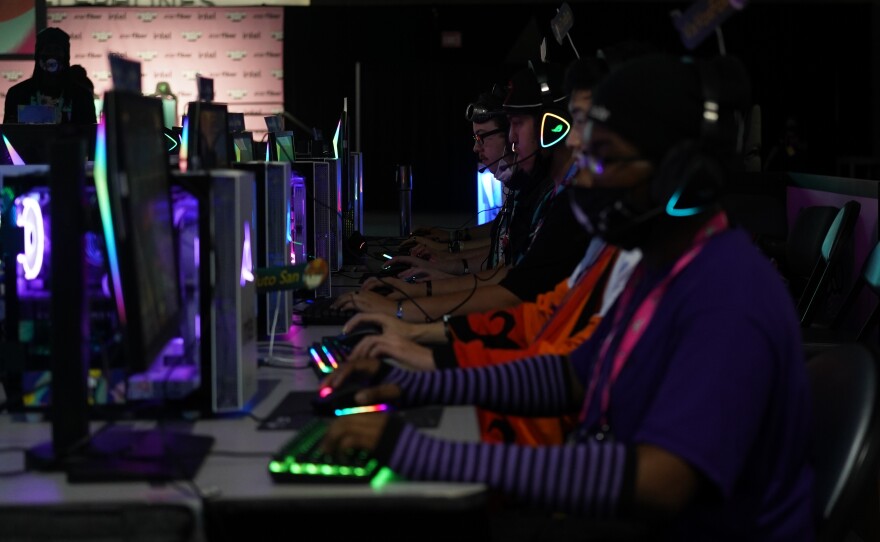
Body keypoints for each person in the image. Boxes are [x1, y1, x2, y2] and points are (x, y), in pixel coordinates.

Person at [319, 53, 814, 540]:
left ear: (680, 176)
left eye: (607, 158)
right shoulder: (657, 264)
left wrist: (417, 451)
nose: (588, 178)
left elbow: (657, 482)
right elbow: (573, 375)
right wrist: (409, 381)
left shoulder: (728, 293)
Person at [340, 57, 635, 448]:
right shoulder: (617, 249)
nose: (573, 140)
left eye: (584, 124)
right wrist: (423, 356)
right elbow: (541, 325)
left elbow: (645, 476)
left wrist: (422, 447)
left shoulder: (690, 277)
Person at [337, 62, 591, 321]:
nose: (513, 139)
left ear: (552, 128)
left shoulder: (571, 205)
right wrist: (426, 284)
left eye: (516, 124)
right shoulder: (555, 196)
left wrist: (407, 308)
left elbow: (514, 290)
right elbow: (509, 273)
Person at [3, 27, 97, 125]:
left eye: (57, 49)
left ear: (66, 56)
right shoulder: (17, 94)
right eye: (47, 49)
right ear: (38, 55)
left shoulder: (82, 97)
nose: (52, 55)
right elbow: (8, 135)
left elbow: (91, 136)